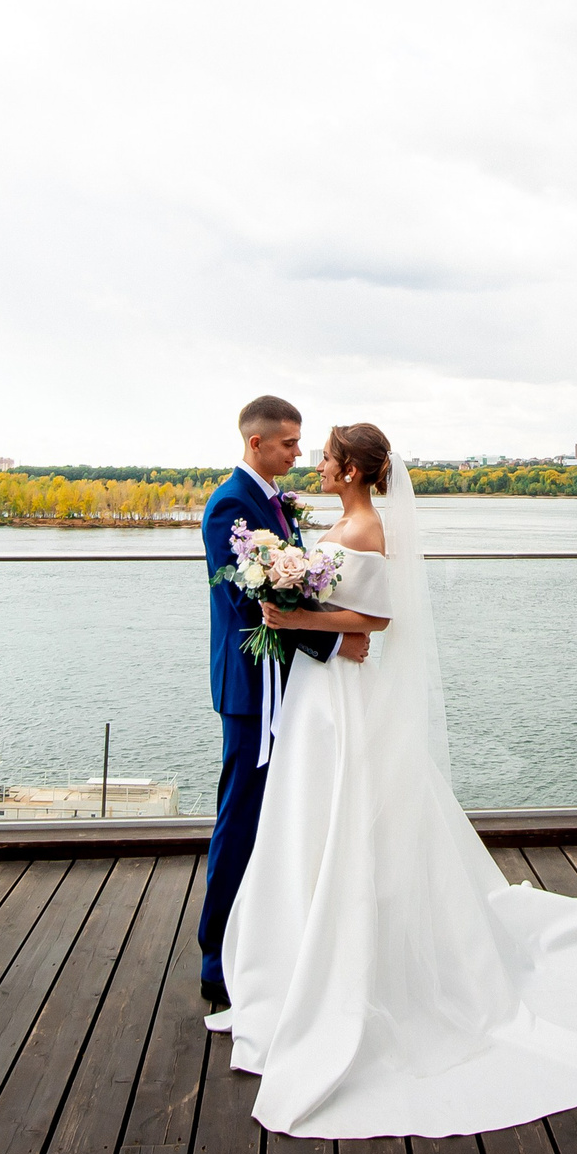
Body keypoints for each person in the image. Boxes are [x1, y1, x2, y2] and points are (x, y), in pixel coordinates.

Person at [206, 421, 577, 1138]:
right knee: (313, 818)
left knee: (343, 812)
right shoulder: (346, 518)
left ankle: (354, 970)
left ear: (350, 471)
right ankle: (296, 957)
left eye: (326, 456)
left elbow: (373, 620)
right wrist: (296, 602)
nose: (315, 461)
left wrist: (292, 609)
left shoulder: (366, 527)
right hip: (322, 690)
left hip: (342, 691)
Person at [198, 395, 363, 1008]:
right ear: (256, 443)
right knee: (240, 815)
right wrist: (336, 636)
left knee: (276, 815)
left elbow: (287, 585)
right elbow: (250, 606)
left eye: (300, 445)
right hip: (251, 687)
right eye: (290, 443)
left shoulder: (272, 501)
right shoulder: (229, 508)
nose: (298, 453)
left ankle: (267, 941)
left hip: (281, 680)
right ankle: (217, 957)